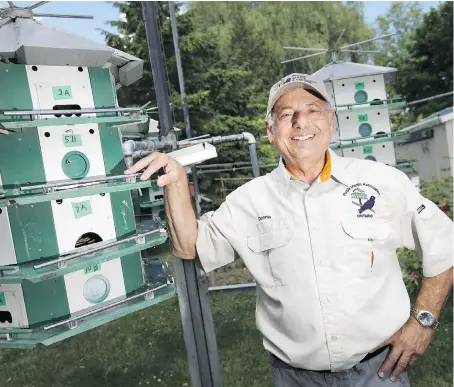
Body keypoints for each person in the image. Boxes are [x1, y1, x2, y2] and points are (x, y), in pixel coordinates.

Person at [125, 73, 453, 387]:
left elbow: (444, 242)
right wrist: (177, 182)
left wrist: (423, 320)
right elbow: (188, 248)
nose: (301, 122)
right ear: (270, 131)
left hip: (380, 371)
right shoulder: (249, 201)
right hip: (295, 378)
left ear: (331, 122)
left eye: (313, 110)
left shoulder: (382, 182)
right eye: (287, 114)